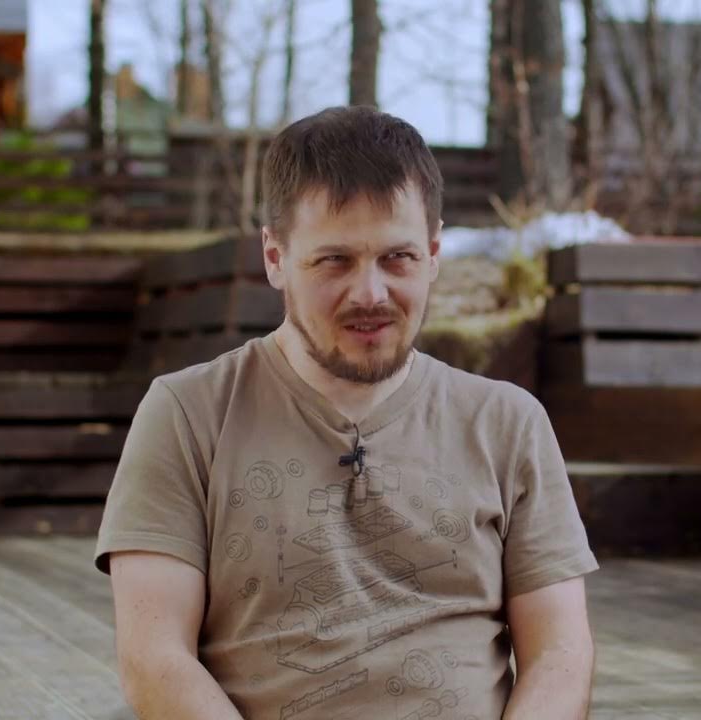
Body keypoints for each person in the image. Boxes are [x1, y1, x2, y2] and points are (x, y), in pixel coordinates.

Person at [95, 106, 598, 719]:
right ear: (275, 257)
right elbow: (154, 658)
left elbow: (560, 655)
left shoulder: (506, 423)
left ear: (434, 253)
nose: (370, 294)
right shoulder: (188, 414)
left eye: (398, 258)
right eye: (334, 260)